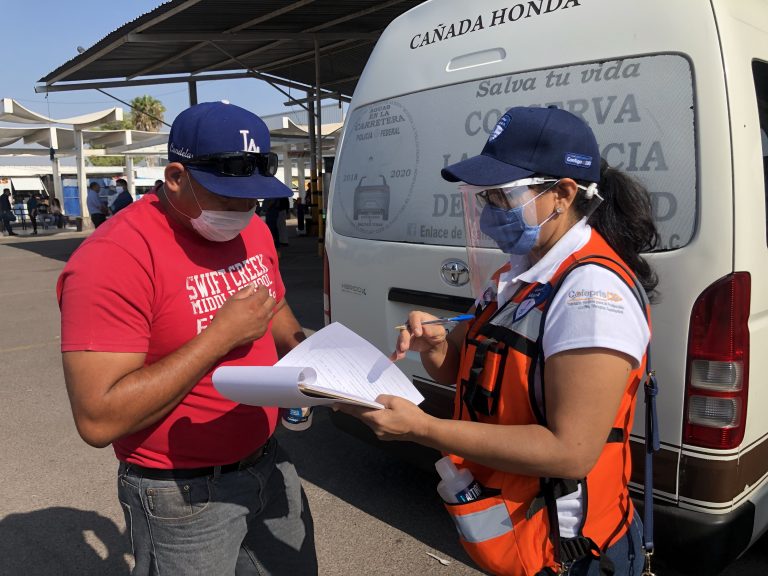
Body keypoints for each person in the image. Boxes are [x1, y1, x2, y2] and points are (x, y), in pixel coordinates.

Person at [338, 106, 659, 576]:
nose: (490, 210)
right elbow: (460, 371)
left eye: (502, 196)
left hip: (567, 551)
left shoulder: (591, 293)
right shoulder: (519, 271)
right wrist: (437, 345)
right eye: (485, 196)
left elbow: (570, 451)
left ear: (562, 194)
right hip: (518, 533)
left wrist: (423, 429)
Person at [57, 101, 318, 575]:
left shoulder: (252, 230)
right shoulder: (113, 259)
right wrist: (219, 338)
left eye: (254, 197)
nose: (244, 210)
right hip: (181, 495)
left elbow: (274, 303)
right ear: (176, 177)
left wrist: (314, 359)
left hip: (269, 464)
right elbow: (97, 419)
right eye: (227, 195)